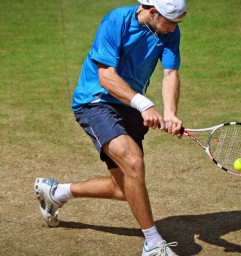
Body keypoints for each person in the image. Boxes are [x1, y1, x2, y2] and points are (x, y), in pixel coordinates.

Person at [34, 0, 187, 255]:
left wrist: (170, 112)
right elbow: (106, 76)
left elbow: (170, 74)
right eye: (170, 22)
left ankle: (55, 192)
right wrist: (144, 104)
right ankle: (153, 244)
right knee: (134, 164)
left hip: (129, 106)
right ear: (152, 12)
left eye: (177, 23)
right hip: (96, 100)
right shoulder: (116, 21)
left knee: (125, 187)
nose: (173, 29)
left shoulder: (169, 31)